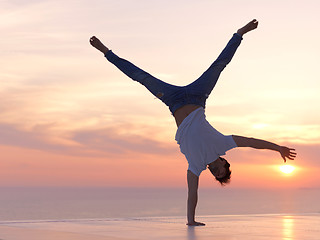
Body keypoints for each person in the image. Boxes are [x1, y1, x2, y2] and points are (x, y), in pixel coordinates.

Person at [89, 19, 297, 226]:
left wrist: (191, 221)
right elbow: (251, 141)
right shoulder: (222, 144)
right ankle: (239, 34)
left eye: (216, 175)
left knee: (140, 76)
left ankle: (106, 51)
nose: (216, 172)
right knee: (219, 65)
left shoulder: (196, 166)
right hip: (198, 96)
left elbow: (192, 194)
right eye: (221, 171)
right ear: (224, 161)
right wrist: (277, 148)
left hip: (173, 100)